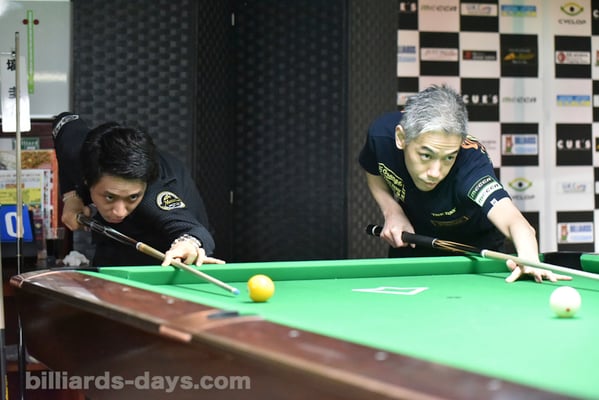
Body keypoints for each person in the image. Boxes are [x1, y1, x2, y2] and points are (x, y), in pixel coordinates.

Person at [359, 85, 570, 283]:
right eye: (426, 155)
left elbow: (513, 220)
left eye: (448, 157)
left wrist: (530, 258)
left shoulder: (470, 166)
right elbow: (374, 171)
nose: (435, 172)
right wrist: (392, 211)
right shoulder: (381, 137)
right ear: (401, 138)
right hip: (415, 238)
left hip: (474, 248)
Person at [52, 112, 224, 268]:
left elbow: (193, 230)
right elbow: (64, 121)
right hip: (113, 241)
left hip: (167, 246)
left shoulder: (154, 195)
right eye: (110, 197)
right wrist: (71, 197)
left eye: (132, 197)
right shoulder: (78, 153)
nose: (119, 212)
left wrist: (188, 243)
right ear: (87, 179)